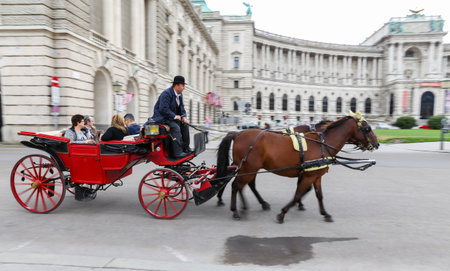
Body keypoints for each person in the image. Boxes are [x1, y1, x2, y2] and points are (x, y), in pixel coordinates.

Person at [147, 75, 191, 158]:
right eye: (183, 86)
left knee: (185, 126)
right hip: (162, 118)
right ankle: (177, 153)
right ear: (177, 86)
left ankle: (186, 148)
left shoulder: (180, 95)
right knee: (176, 128)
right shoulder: (166, 94)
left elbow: (182, 108)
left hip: (171, 118)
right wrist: (175, 116)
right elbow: (163, 109)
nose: (184, 88)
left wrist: (184, 117)